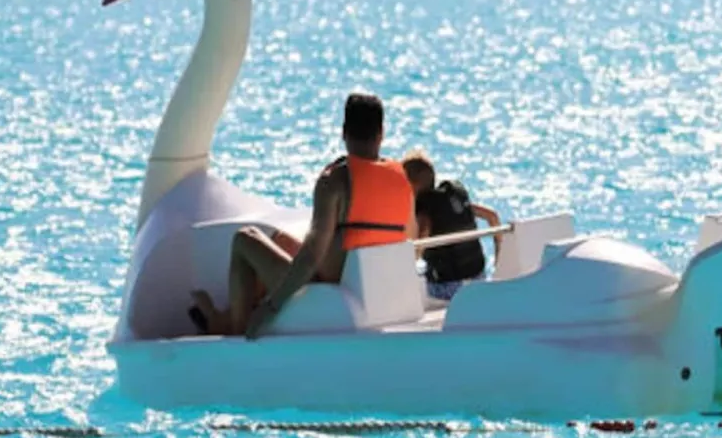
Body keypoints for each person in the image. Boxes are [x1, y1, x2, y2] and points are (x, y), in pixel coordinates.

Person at [191, 93, 415, 339]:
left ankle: (238, 331)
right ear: (381, 133)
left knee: (246, 238)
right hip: (372, 286)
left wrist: (271, 307)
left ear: (344, 132)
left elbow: (310, 258)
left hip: (330, 290)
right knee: (279, 239)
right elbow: (410, 241)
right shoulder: (400, 179)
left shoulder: (335, 182)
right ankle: (221, 317)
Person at [401, 150, 502, 302]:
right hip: (478, 278)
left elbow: (424, 232)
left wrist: (412, 261)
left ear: (411, 185)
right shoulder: (453, 199)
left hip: (450, 287)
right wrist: (499, 252)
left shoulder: (423, 208)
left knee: (418, 281)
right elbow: (492, 217)